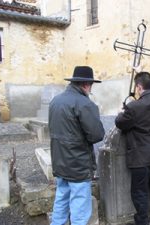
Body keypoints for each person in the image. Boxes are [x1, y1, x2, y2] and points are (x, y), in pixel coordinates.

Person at [49, 66, 105, 225]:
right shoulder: (85, 104)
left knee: (61, 198)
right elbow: (97, 135)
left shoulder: (56, 100)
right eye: (91, 86)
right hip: (78, 163)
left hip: (59, 160)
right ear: (87, 85)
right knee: (80, 206)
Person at [115, 71, 150, 225]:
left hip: (141, 158)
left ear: (139, 87)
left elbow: (120, 123)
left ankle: (142, 222)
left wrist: (121, 112)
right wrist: (142, 70)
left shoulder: (134, 107)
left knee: (140, 192)